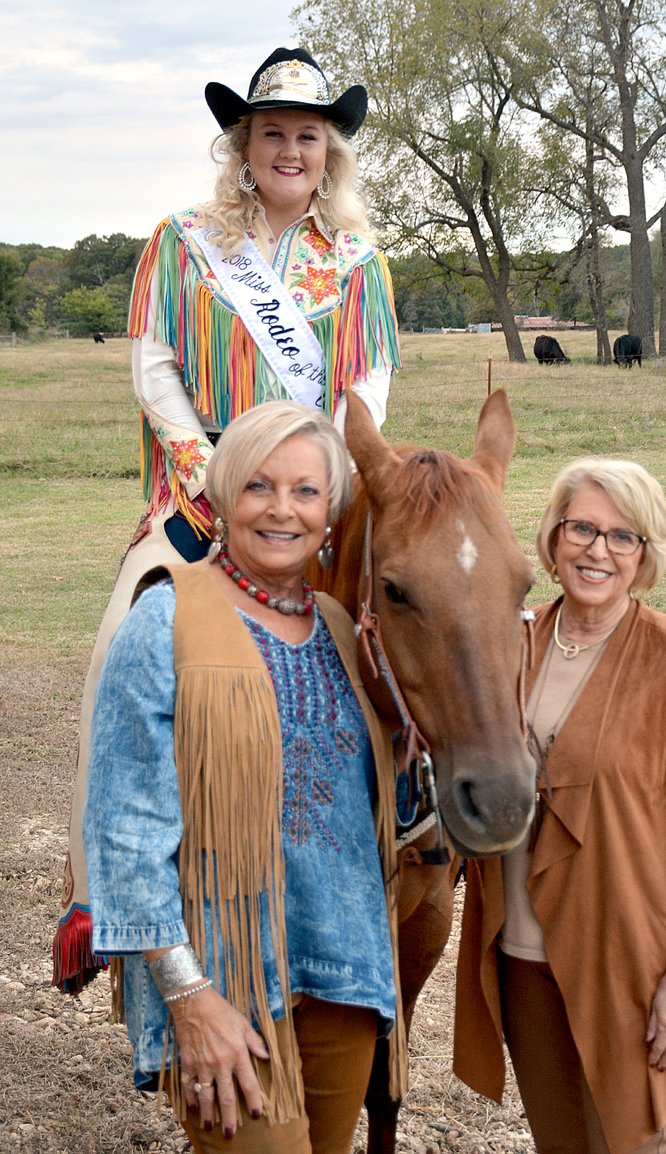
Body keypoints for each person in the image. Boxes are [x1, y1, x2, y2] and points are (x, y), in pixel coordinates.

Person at [53, 46, 401, 992]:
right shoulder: (183, 239)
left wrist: (317, 483)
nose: (291, 151)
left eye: (308, 137)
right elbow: (155, 364)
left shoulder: (361, 261)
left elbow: (365, 386)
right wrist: (210, 471)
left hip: (315, 488)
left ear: (330, 154)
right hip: (203, 481)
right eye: (272, 134)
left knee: (414, 616)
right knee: (126, 620)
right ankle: (92, 885)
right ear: (243, 146)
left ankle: (415, 818)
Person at [83, 401, 405, 1153]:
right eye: (260, 486)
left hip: (344, 977)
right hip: (225, 984)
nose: (282, 510)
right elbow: (127, 835)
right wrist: (190, 1001)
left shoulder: (341, 628)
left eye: (306, 491)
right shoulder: (162, 620)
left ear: (331, 511)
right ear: (225, 495)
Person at [453, 458, 666, 1154]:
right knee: (560, 1141)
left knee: (629, 1140)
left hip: (627, 962)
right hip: (520, 955)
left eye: (622, 537)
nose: (598, 550)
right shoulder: (514, 642)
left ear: (644, 557)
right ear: (554, 539)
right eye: (583, 528)